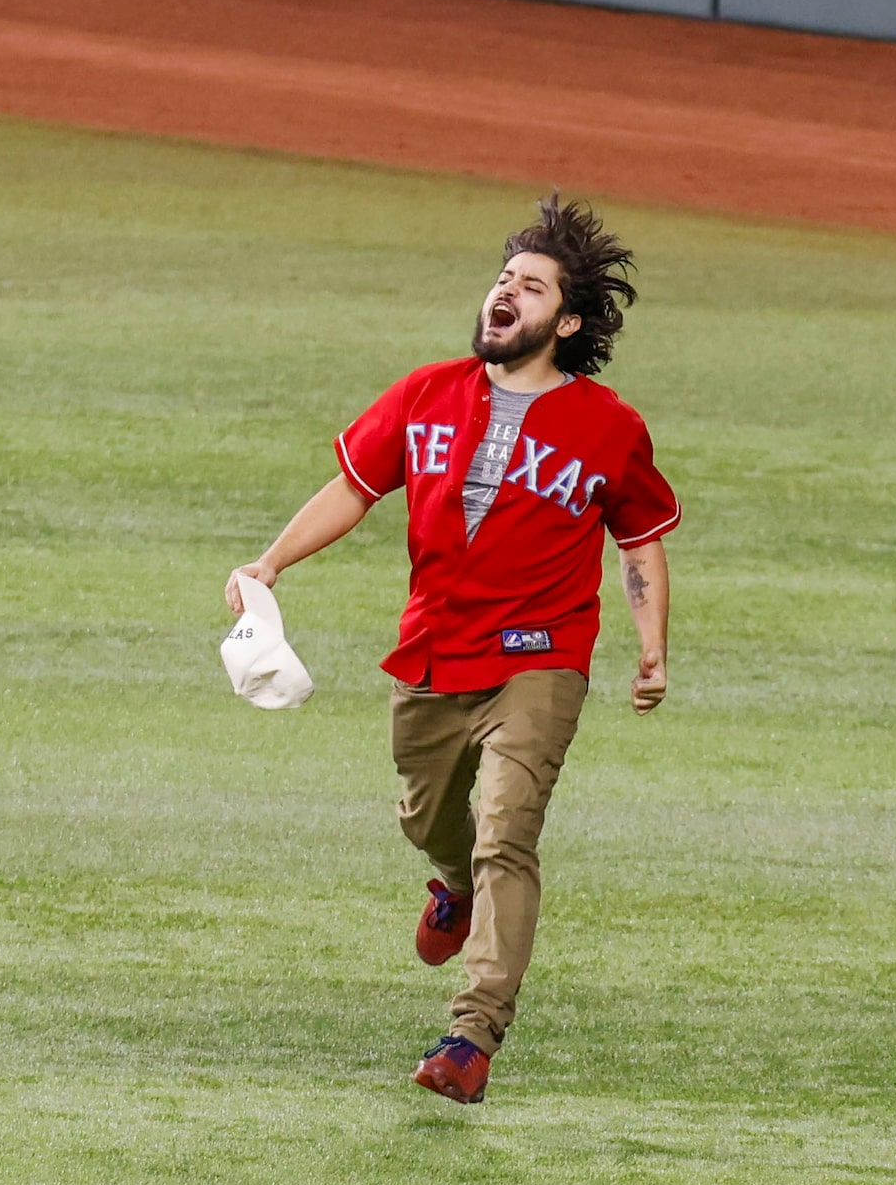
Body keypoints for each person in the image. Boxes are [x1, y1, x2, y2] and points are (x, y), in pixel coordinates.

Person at [221, 196, 677, 1104]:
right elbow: (352, 489)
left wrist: (651, 648)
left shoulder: (608, 426)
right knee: (432, 818)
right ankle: (448, 881)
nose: (506, 290)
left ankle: (472, 1037)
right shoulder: (427, 392)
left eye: (532, 285)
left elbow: (639, 539)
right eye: (504, 277)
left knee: (509, 830)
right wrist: (269, 563)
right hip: (434, 651)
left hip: (543, 657)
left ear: (568, 320)